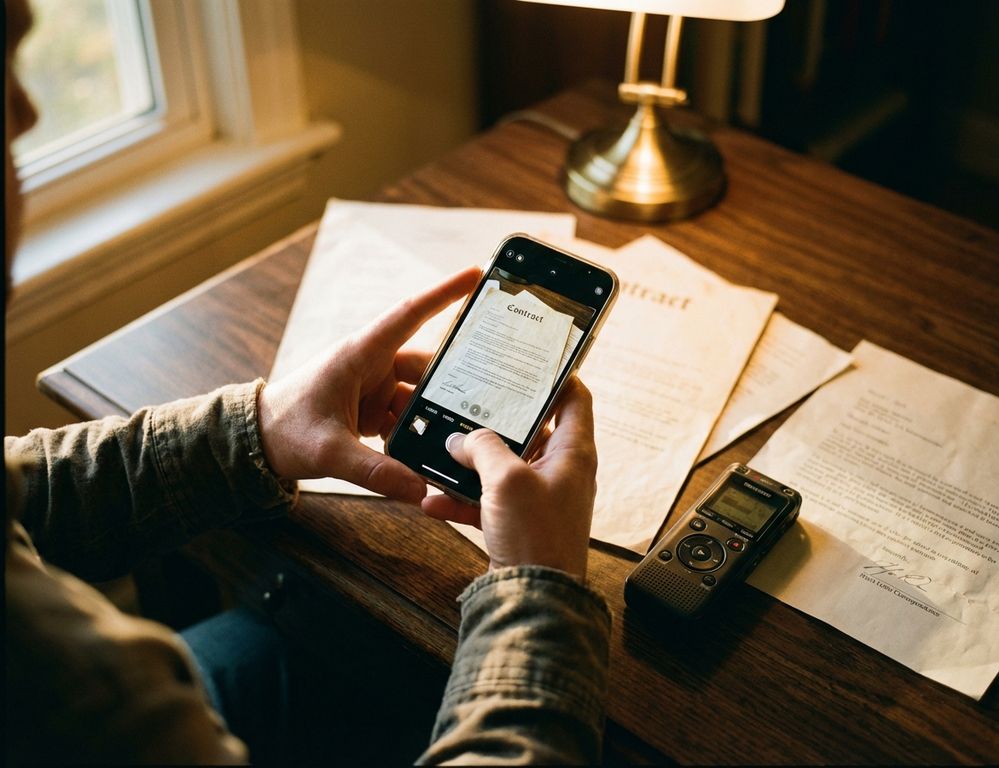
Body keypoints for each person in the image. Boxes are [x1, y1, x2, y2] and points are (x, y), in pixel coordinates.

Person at [4, 0, 611, 764]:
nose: (28, 112)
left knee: (322, 645)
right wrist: (541, 583)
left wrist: (257, 428)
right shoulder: (74, 689)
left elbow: (23, 494)